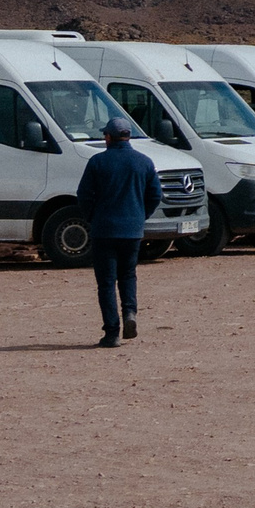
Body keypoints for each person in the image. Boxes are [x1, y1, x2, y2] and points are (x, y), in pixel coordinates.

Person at [75, 115, 162, 348]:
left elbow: (83, 195)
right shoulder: (144, 162)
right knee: (128, 275)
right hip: (132, 230)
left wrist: (92, 217)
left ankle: (111, 332)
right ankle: (130, 313)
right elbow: (156, 196)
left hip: (104, 229)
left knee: (106, 282)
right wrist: (140, 216)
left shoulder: (97, 162)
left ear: (108, 137)